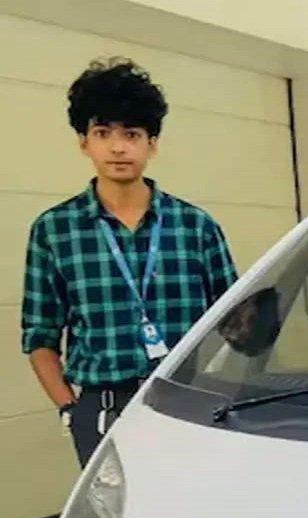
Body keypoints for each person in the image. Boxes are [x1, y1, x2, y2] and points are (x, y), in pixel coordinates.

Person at [21, 57, 238, 466]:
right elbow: (39, 335)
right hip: (102, 407)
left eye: (132, 134)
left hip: (188, 400)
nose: (118, 147)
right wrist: (70, 409)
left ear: (152, 144)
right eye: (103, 133)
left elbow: (236, 325)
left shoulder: (196, 226)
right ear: (83, 142)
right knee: (117, 508)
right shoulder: (55, 230)